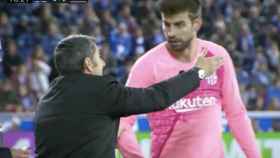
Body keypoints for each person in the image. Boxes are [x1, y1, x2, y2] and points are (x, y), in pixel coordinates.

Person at [34, 34, 223, 158]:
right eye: (99, 57)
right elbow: (156, 97)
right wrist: (197, 72)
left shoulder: (47, 99)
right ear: (88, 64)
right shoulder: (100, 90)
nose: (103, 62)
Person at [117, 0, 261, 158]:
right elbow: (122, 122)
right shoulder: (147, 66)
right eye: (167, 24)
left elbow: (236, 114)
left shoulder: (217, 56)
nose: (171, 32)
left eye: (179, 25)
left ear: (196, 24)